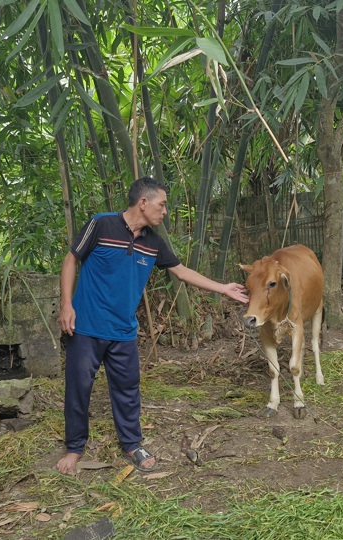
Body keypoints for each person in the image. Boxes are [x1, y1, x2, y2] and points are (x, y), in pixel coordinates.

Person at [56, 176, 249, 475]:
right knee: (79, 388)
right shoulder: (101, 225)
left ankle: (132, 444)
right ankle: (74, 448)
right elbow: (71, 259)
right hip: (86, 327)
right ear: (143, 203)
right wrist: (67, 305)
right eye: (162, 205)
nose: (165, 212)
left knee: (128, 388)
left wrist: (222, 288)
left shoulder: (153, 242)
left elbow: (181, 272)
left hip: (123, 331)